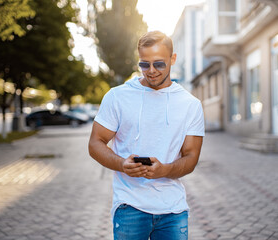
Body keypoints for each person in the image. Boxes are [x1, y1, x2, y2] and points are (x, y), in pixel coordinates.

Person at [88, 30, 205, 240]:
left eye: (159, 64)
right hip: (129, 206)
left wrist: (165, 169)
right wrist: (122, 164)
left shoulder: (191, 105)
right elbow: (96, 143)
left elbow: (191, 157)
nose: (151, 71)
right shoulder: (117, 97)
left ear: (173, 59)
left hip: (173, 210)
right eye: (144, 64)